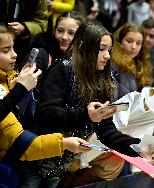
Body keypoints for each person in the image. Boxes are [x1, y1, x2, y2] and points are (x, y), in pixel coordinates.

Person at [18, 23, 140, 188]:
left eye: (109, 50)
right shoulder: (63, 70)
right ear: (83, 47)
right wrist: (85, 115)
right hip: (35, 160)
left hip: (60, 168)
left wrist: (139, 147)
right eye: (101, 49)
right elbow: (46, 114)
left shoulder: (102, 81)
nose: (107, 56)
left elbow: (106, 131)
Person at [0, 25, 91, 163]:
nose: (15, 54)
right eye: (6, 50)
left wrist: (15, 90)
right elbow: (22, 145)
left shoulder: (11, 79)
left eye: (13, 48)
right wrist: (64, 143)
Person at [0, 0, 48, 69]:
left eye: (12, 49)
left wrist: (25, 28)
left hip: (25, 45)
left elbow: (42, 23)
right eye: (6, 51)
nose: (15, 55)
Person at [111, 23, 152, 100]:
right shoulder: (112, 65)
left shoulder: (142, 65)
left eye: (138, 43)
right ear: (119, 41)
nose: (134, 47)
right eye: (129, 41)